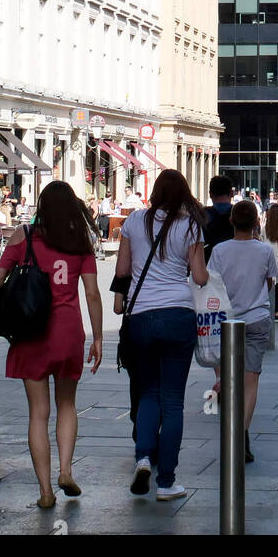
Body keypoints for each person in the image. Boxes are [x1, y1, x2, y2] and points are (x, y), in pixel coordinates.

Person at [0, 181, 103, 510]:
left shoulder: (23, 236)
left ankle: (44, 491)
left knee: (37, 414)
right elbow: (93, 294)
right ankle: (66, 470)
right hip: (68, 333)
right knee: (67, 404)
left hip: (31, 332)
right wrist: (97, 337)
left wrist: (3, 295)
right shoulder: (81, 243)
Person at [112, 169, 208, 501]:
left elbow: (123, 270)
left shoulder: (134, 221)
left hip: (140, 317)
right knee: (174, 401)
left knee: (148, 393)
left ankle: (143, 458)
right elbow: (198, 276)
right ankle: (166, 482)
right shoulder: (189, 225)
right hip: (178, 314)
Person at [207, 199, 277, 464]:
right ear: (256, 223)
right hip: (257, 318)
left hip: (227, 320)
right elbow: (269, 283)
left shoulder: (220, 250)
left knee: (229, 379)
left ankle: (232, 426)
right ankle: (242, 433)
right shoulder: (264, 250)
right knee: (250, 381)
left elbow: (212, 284)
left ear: (231, 221)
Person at [202, 174, 236, 260]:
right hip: (235, 264)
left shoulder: (201, 216)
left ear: (210, 194)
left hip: (208, 265)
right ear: (231, 193)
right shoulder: (240, 214)